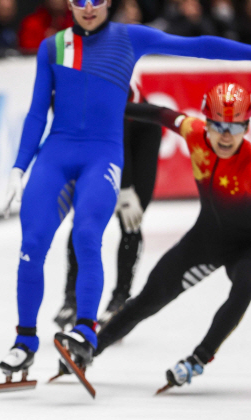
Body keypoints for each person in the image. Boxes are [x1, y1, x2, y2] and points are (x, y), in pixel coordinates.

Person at [0, 0, 251, 388]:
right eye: (79, 2)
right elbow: (41, 113)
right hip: (63, 159)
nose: (87, 9)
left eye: (95, 2)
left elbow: (198, 45)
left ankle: (111, 336)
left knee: (87, 236)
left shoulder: (130, 38)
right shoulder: (55, 46)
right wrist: (20, 166)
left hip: (109, 161)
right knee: (40, 248)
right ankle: (53, 344)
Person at [96, 83, 251, 392]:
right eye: (218, 125)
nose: (225, 135)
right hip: (206, 239)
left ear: (246, 126)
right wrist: (110, 108)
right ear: (205, 121)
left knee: (246, 286)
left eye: (235, 127)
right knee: (150, 297)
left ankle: (198, 358)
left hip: (246, 247)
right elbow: (157, 113)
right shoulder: (194, 133)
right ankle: (92, 348)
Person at [54, 85, 162, 331]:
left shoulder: (105, 74)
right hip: (102, 138)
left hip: (141, 129)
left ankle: (120, 298)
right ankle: (71, 297)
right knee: (85, 218)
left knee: (130, 218)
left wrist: (124, 189)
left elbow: (117, 129)